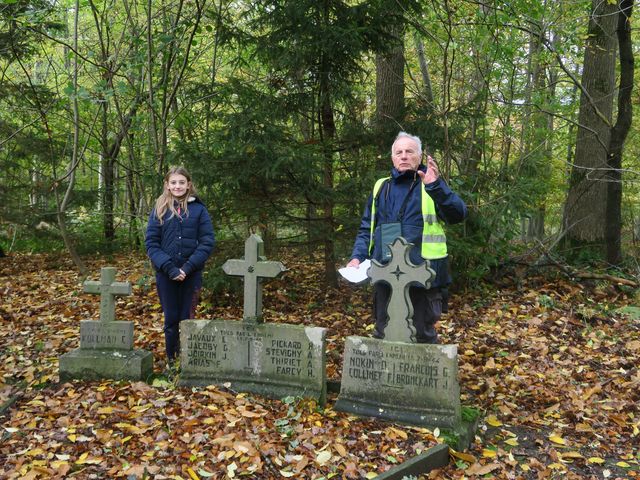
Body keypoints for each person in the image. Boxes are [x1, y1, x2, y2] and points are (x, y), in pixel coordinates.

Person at [347, 132, 467, 343]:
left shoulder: (430, 184)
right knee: (383, 332)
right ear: (392, 158)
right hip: (385, 273)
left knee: (421, 335)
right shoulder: (380, 187)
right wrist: (357, 257)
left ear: (419, 156)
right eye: (398, 152)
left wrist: (436, 186)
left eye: (409, 151)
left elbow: (458, 215)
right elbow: (367, 228)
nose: (403, 156)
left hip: (424, 274)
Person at [146, 166, 215, 363]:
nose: (178, 186)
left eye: (181, 182)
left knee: (187, 318)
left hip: (191, 274)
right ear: (167, 185)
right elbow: (151, 243)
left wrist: (187, 268)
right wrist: (170, 268)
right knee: (171, 319)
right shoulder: (159, 209)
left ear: (188, 185)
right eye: (173, 182)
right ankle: (172, 360)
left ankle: (187, 361)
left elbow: (207, 241)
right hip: (166, 274)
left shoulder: (199, 210)